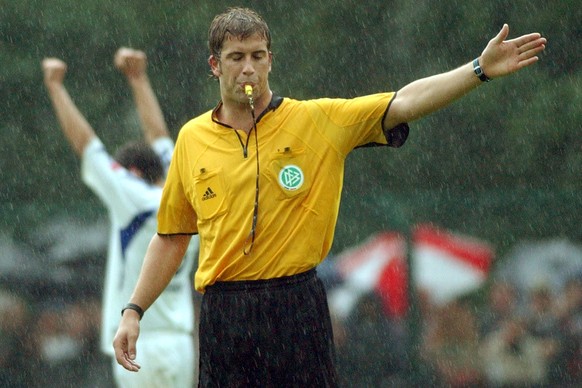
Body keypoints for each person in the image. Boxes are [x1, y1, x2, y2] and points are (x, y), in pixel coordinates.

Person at [113, 7, 547, 386]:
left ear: (270, 61)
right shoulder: (192, 138)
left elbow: (404, 102)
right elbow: (171, 236)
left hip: (296, 305)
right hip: (225, 312)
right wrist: (134, 309)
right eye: (236, 57)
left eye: (257, 56)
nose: (248, 68)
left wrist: (479, 70)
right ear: (215, 65)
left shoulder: (315, 120)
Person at [42, 48, 199, 388]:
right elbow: (160, 137)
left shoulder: (135, 198)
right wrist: (138, 78)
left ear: (131, 172)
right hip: (180, 341)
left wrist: (55, 87)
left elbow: (87, 146)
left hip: (141, 340)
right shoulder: (183, 188)